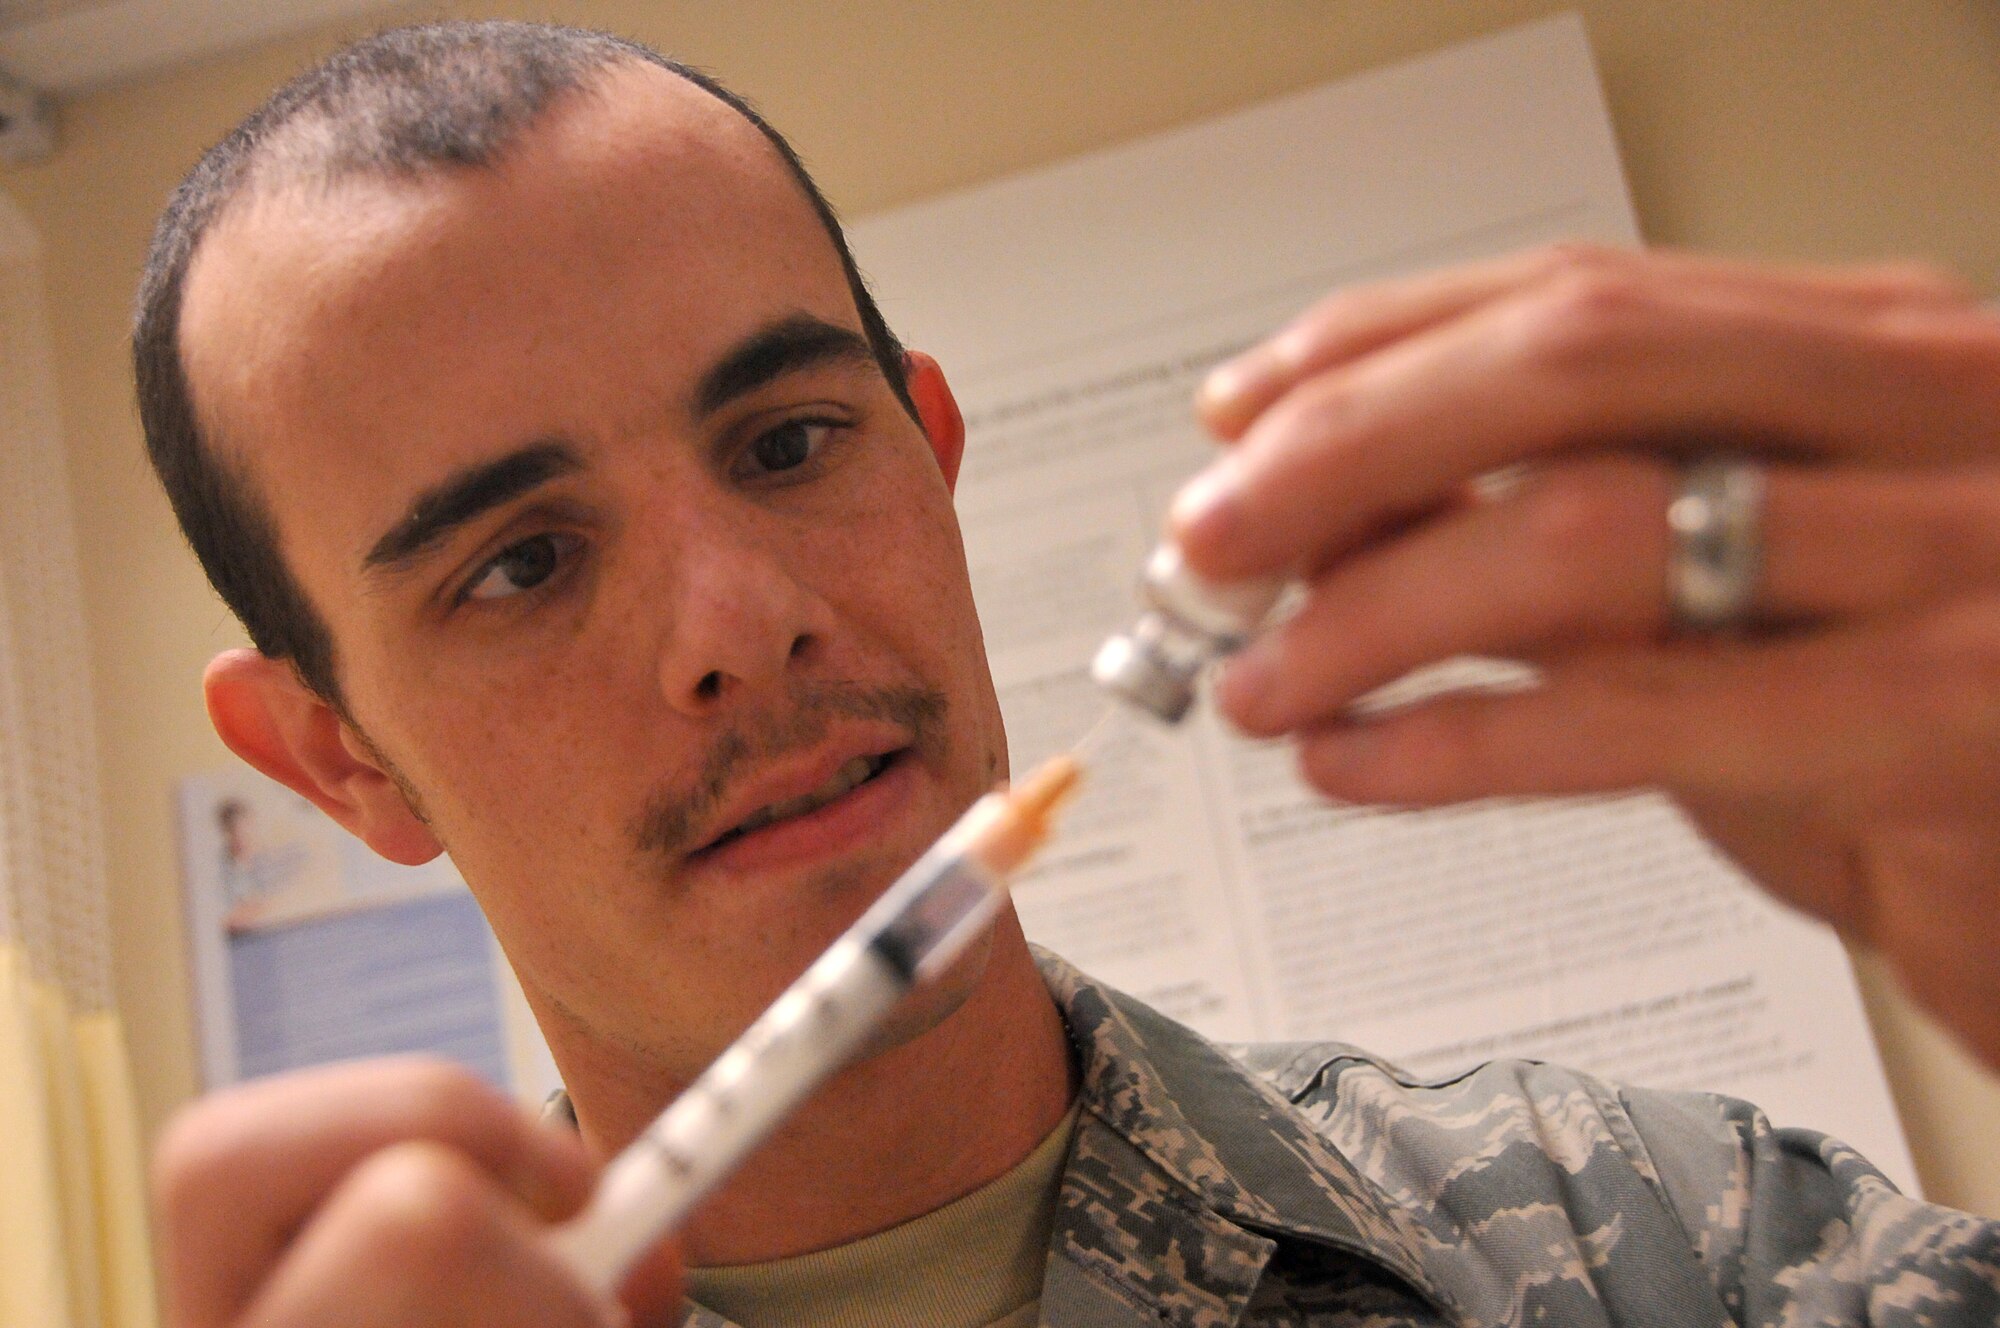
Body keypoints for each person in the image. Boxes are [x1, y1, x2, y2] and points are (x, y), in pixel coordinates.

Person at [132, 20, 1999, 1328]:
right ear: (337, 758)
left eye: (787, 443)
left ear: (931, 450)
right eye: (523, 564)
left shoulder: (1657, 1246)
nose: (740, 623)